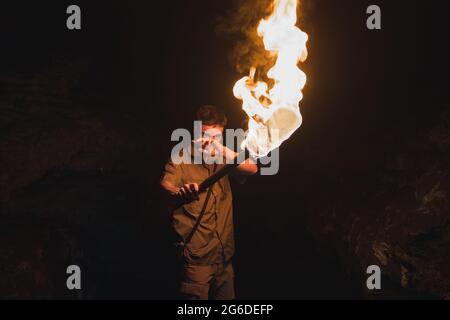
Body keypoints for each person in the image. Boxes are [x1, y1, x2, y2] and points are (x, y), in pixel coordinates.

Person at [160, 105, 258, 300]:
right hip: (197, 260)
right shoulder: (181, 157)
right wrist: (179, 191)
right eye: (206, 135)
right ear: (196, 132)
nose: (210, 142)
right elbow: (165, 187)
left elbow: (251, 168)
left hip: (224, 256)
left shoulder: (222, 157)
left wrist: (221, 149)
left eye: (216, 137)